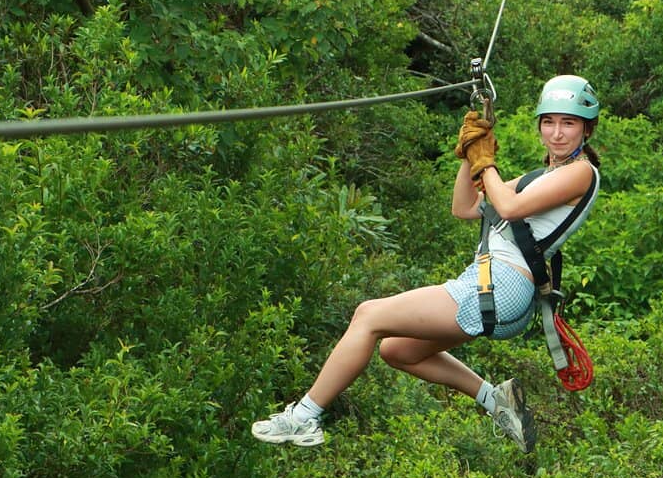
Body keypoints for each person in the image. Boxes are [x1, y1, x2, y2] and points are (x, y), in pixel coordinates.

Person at [251, 75, 601, 453]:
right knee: (397, 351)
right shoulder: (540, 177)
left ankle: (304, 417)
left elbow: (509, 206)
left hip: (502, 284)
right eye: (550, 122)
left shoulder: (580, 173)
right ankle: (494, 400)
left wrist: (487, 162)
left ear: (587, 128)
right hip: (495, 286)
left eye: (569, 123)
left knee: (368, 315)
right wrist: (470, 154)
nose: (558, 133)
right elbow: (464, 208)